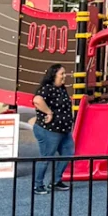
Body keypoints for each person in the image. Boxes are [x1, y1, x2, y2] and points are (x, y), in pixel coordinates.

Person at [30, 64, 76, 195]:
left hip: (63, 130)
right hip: (49, 130)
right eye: (62, 74)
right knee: (46, 156)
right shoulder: (47, 89)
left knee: (68, 152)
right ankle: (38, 184)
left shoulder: (62, 88)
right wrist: (49, 112)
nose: (64, 76)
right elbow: (37, 100)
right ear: (53, 75)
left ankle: (56, 181)